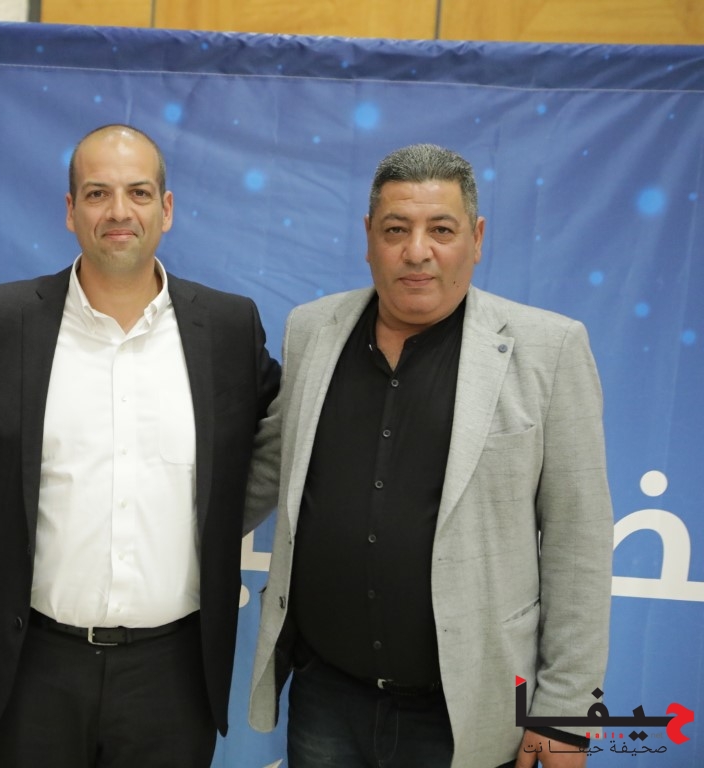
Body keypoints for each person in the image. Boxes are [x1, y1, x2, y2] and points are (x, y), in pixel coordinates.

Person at [247, 143, 613, 768]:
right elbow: (266, 469)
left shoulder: (549, 349)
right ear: (369, 237)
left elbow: (579, 544)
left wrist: (565, 715)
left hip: (468, 711)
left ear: (476, 238)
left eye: (441, 230)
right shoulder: (311, 330)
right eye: (397, 230)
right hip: (326, 698)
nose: (417, 251)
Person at [0, 123, 280, 768]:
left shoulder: (227, 328)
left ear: (167, 208)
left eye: (139, 192)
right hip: (32, 667)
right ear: (71, 210)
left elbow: (285, 431)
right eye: (98, 193)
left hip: (175, 676)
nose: (119, 211)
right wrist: (0, 505)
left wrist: (219, 521)